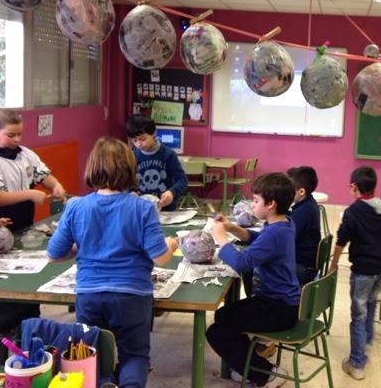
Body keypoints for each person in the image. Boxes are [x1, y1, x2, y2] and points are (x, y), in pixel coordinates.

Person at [47, 137, 178, 388]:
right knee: (134, 354)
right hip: (131, 294)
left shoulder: (76, 206)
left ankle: (105, 382)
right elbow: (160, 257)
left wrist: (85, 244)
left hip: (89, 294)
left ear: (92, 167)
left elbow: (54, 254)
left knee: (93, 354)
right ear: (130, 169)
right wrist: (171, 244)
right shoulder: (142, 208)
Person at [206, 172, 299, 388]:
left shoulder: (274, 233)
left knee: (216, 333)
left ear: (271, 203)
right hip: (279, 302)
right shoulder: (283, 223)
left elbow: (241, 263)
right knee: (223, 315)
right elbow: (258, 239)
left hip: (277, 308)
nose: (252, 204)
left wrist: (221, 238)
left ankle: (266, 375)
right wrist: (231, 227)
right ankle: (250, 365)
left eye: (256, 200)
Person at [328, 165, 381, 381]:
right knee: (371, 302)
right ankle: (367, 340)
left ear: (353, 186)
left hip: (363, 271)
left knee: (358, 315)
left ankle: (357, 363)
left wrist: (333, 264)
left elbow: (341, 241)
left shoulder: (353, 212)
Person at [0, 108, 66, 326]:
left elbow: (43, 175)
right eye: (10, 135)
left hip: (24, 224)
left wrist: (56, 185)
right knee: (6, 282)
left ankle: (29, 320)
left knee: (27, 277)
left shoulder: (26, 154)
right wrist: (29, 194)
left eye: (19, 134)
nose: (16, 139)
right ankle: (5, 325)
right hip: (1, 228)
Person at [126, 114, 187, 211]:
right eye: (135, 140)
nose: (139, 144)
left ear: (154, 133)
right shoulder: (132, 156)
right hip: (141, 209)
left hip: (166, 209)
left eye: (142, 139)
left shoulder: (168, 154)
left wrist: (172, 192)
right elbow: (126, 182)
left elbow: (182, 180)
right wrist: (130, 192)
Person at [287, 166, 321, 286]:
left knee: (257, 269)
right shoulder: (309, 204)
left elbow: (286, 239)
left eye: (289, 189)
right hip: (305, 264)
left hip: (302, 268)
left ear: (301, 191)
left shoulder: (304, 211)